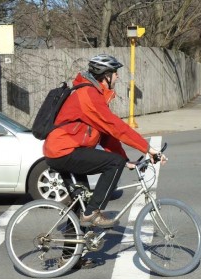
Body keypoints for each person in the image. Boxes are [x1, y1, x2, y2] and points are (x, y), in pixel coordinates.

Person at [44, 54, 166, 230]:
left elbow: (107, 135)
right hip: (63, 151)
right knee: (111, 166)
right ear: (106, 76)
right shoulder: (88, 95)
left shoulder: (94, 94)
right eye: (115, 73)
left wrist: (125, 160)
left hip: (69, 150)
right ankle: (93, 212)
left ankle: (73, 256)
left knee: (83, 204)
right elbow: (115, 126)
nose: (117, 76)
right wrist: (148, 149)